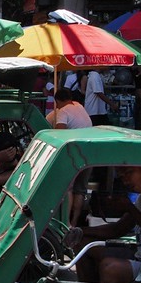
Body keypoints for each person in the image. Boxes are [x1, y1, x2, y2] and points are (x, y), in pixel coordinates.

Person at [46, 88, 92, 225]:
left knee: (68, 188)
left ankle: (66, 223)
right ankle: (75, 222)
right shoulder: (79, 106)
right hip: (89, 153)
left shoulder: (62, 111)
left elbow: (60, 135)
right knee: (80, 190)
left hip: (74, 155)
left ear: (58, 101)